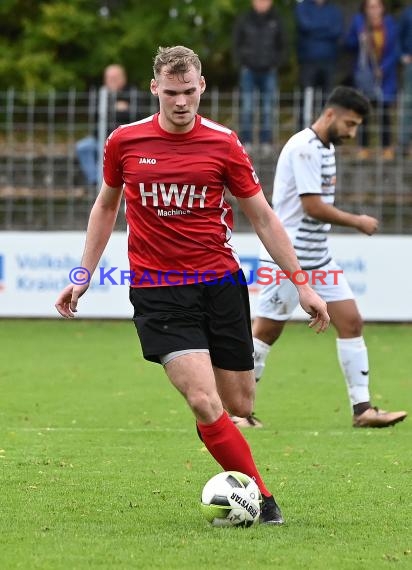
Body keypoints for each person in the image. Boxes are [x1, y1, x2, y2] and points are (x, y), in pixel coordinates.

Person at [55, 45, 330, 525]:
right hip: (158, 291)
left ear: (201, 87)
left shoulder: (224, 143)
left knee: (238, 403)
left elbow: (262, 216)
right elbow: (105, 206)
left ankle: (231, 457)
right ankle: (264, 503)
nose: (181, 103)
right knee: (203, 400)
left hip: (220, 284)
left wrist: (302, 285)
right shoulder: (125, 141)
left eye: (189, 92)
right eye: (171, 93)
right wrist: (83, 274)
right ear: (154, 89)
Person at [233, 86, 407, 430]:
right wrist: (356, 220)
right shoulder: (304, 148)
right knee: (265, 332)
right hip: (289, 256)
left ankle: (363, 410)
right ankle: (237, 413)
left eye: (357, 126)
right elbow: (312, 206)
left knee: (352, 322)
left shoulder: (325, 148)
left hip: (319, 257)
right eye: (350, 124)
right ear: (330, 114)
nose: (352, 132)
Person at [345, 0, 399, 161]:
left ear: (382, 8)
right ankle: (363, 148)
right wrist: (358, 38)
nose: (373, 10)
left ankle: (386, 148)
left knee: (384, 113)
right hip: (365, 77)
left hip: (385, 76)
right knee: (363, 112)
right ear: (365, 8)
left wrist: (383, 68)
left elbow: (394, 50)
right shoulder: (358, 22)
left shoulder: (390, 24)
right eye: (370, 7)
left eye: (377, 6)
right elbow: (348, 44)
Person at [232, 0, 285, 157]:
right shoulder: (244, 19)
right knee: (247, 107)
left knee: (268, 108)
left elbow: (283, 45)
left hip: (269, 71)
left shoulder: (277, 20)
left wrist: (275, 63)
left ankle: (266, 141)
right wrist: (242, 63)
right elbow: (236, 43)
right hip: (248, 70)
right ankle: (246, 141)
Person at [75, 64, 135, 186]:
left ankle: (105, 185)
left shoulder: (132, 94)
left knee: (105, 151)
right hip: (99, 138)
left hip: (123, 140)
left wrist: (110, 110)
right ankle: (95, 182)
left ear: (123, 78)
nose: (111, 81)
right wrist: (115, 108)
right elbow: (95, 115)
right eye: (109, 78)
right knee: (82, 147)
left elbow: (134, 116)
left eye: (115, 78)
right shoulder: (100, 94)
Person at [295, 0, 344, 130]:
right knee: (305, 100)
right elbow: (305, 26)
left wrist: (314, 30)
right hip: (308, 61)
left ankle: (325, 133)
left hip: (329, 61)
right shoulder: (302, 7)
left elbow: (337, 30)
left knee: (328, 101)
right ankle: (302, 133)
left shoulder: (334, 10)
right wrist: (326, 29)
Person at [398, 4, 412, 157]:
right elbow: (398, 36)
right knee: (408, 103)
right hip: (411, 65)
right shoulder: (407, 12)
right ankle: (404, 143)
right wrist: (403, 55)